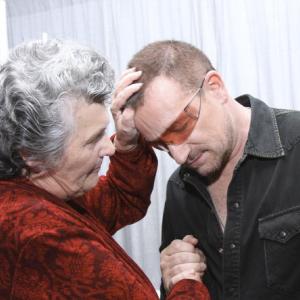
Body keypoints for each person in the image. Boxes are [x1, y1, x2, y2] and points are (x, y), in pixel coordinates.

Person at [0, 39, 210, 299]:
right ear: (32, 155)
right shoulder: (43, 239)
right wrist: (185, 281)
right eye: (92, 139)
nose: (109, 149)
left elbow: (120, 199)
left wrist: (128, 143)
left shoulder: (36, 195)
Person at [118, 39, 300, 300]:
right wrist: (173, 282)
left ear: (215, 88)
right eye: (160, 144)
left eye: (179, 128)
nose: (178, 156)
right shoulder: (180, 189)